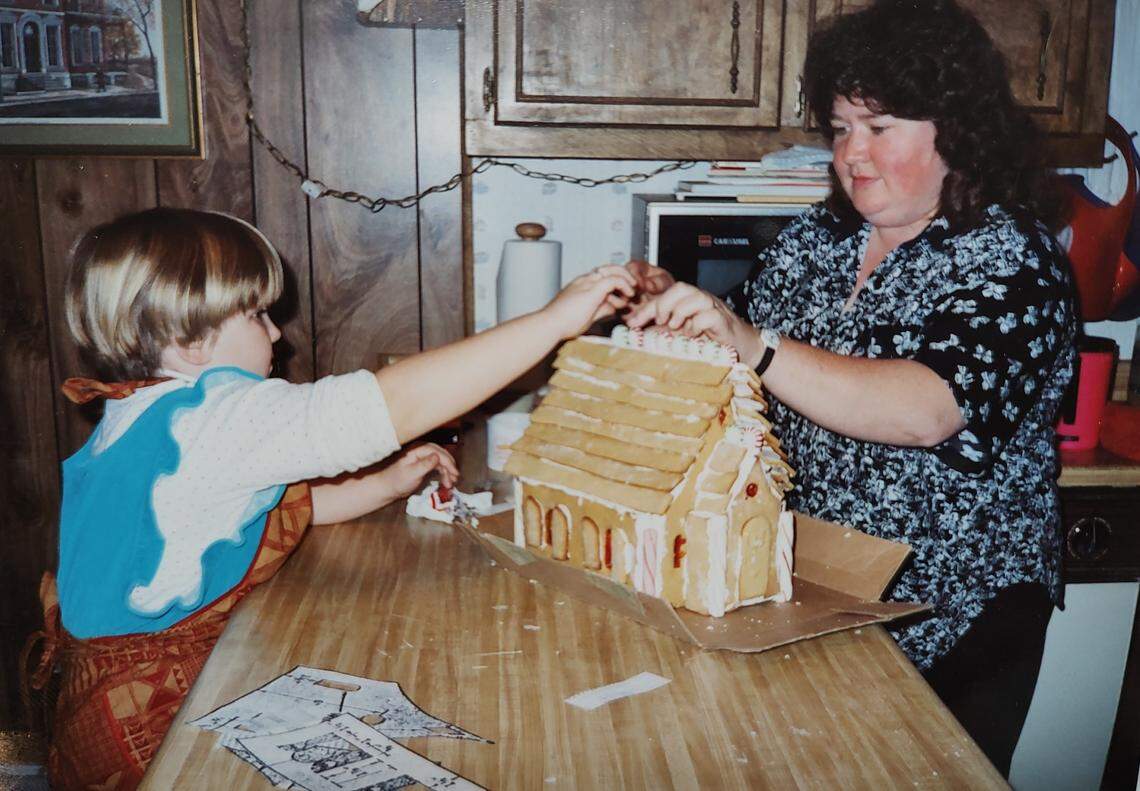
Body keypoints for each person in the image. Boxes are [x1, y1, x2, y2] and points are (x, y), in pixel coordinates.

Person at [24, 207, 635, 790]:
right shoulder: (216, 416)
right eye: (257, 316)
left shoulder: (142, 410)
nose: (276, 334)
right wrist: (556, 319)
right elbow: (388, 405)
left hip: (87, 709)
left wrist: (384, 483)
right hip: (150, 724)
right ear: (190, 343)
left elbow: (252, 508)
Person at [623, 0, 1075, 776]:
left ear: (955, 129)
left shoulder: (1014, 259)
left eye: (879, 126)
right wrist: (676, 311)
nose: (852, 153)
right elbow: (753, 365)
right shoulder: (818, 239)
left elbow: (925, 408)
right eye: (839, 129)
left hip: (956, 606)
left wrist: (750, 341)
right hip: (819, 584)